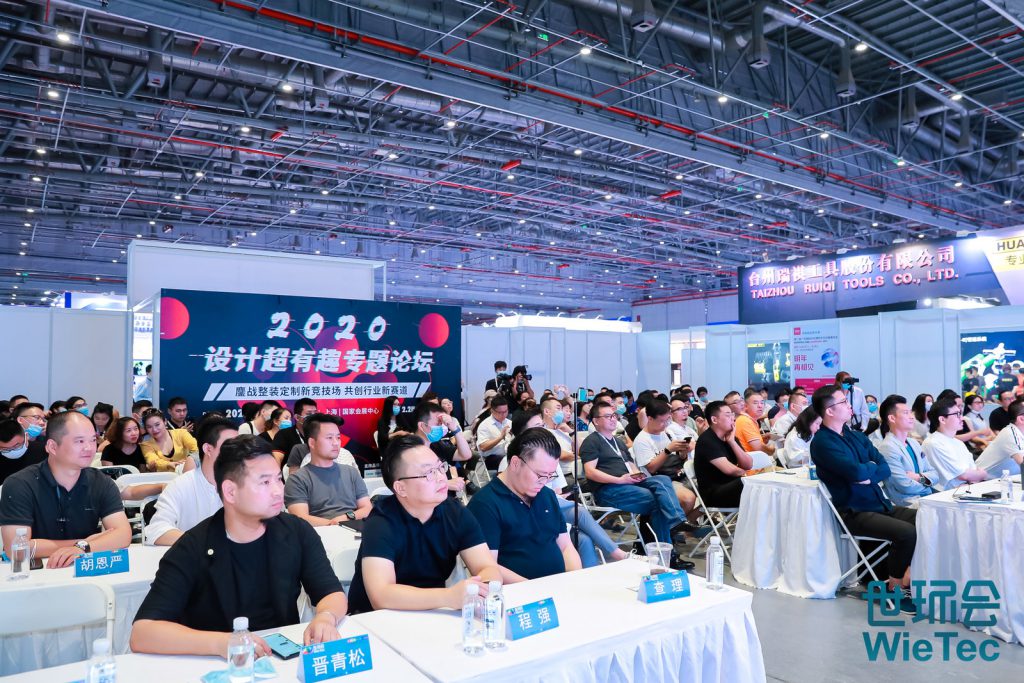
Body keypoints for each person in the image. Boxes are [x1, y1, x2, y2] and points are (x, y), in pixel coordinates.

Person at [130, 435, 347, 655]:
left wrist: (325, 617)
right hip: (215, 663)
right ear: (230, 492)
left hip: (281, 658)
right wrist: (222, 643)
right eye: (265, 482)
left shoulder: (296, 531)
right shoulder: (193, 547)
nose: (278, 490)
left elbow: (331, 593)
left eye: (278, 479)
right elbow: (143, 632)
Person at [346, 435, 501, 614]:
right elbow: (382, 596)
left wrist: (484, 589)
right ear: (401, 488)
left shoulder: (456, 512)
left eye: (440, 467)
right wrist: (448, 596)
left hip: (433, 613)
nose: (441, 477)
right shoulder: (380, 523)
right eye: (428, 473)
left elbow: (486, 566)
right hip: (375, 619)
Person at [808, 385, 917, 611]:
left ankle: (907, 577)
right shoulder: (822, 442)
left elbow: (884, 468)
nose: (850, 406)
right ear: (829, 411)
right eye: (843, 402)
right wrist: (868, 469)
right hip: (854, 511)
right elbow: (856, 473)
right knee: (906, 533)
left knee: (925, 518)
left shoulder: (856, 435)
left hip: (879, 503)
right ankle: (895, 588)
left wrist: (868, 472)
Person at [0, 411, 131, 567]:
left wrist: (82, 548)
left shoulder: (101, 482)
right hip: (37, 571)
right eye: (80, 441)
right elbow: (16, 549)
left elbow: (123, 535)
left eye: (92, 440)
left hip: (83, 568)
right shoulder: (19, 484)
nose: (89, 448)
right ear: (53, 447)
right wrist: (84, 544)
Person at [580, 401, 692, 566]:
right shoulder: (592, 441)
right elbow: (590, 472)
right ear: (596, 421)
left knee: (662, 479)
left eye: (614, 415)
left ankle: (675, 523)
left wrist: (637, 476)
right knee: (657, 500)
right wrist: (620, 480)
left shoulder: (618, 442)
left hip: (629, 483)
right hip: (609, 488)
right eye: (608, 416)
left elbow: (631, 465)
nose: (613, 419)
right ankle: (667, 553)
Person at [467, 428, 582, 583]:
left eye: (550, 475)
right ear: (515, 463)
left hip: (558, 587)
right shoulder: (485, 504)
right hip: (518, 592)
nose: (544, 482)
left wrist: (574, 578)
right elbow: (488, 567)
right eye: (540, 475)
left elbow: (565, 546)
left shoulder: (546, 495)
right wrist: (533, 588)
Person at [145, 417, 237, 546]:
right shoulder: (181, 485)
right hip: (194, 554)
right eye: (229, 445)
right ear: (208, 449)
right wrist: (202, 542)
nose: (237, 451)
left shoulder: (244, 484)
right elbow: (156, 531)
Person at [284, 414, 371, 526]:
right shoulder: (297, 479)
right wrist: (334, 524)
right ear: (312, 443)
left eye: (338, 437)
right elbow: (300, 518)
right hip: (319, 532)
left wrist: (345, 518)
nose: (336, 443)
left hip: (353, 528)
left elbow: (367, 508)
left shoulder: (351, 472)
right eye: (329, 438)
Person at [630, 400, 698, 517]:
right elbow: (651, 468)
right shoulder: (642, 440)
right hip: (661, 481)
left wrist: (683, 452)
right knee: (688, 499)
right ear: (650, 418)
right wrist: (667, 450)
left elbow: (678, 458)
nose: (666, 424)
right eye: (662, 421)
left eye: (668, 420)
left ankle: (687, 522)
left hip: (680, 474)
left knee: (710, 491)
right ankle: (674, 524)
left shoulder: (667, 432)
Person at [876, 395, 939, 508]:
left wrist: (918, 477)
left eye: (910, 412)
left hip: (926, 497)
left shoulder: (913, 443)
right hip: (908, 502)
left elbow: (934, 474)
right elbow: (905, 486)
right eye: (906, 413)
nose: (911, 417)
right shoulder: (887, 447)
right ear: (892, 418)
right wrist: (927, 484)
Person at [693, 401, 754, 507]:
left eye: (732, 414)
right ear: (714, 420)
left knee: (758, 486)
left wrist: (732, 442)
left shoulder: (731, 438)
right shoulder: (707, 440)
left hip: (732, 486)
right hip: (714, 493)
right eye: (728, 415)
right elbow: (730, 470)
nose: (733, 418)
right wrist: (749, 475)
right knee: (753, 485)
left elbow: (748, 464)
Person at [921, 398, 990, 489]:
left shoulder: (958, 442)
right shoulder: (933, 443)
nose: (962, 418)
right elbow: (963, 475)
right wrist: (982, 474)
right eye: (957, 414)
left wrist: (977, 475)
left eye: (960, 413)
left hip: (966, 489)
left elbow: (973, 472)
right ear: (942, 419)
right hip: (947, 494)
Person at [414, 401, 472, 495]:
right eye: (438, 424)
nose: (441, 427)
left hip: (447, 498)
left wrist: (455, 429)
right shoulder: (410, 451)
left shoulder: (436, 444)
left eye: (442, 424)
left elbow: (466, 455)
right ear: (422, 426)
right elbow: (414, 484)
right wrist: (445, 484)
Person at [974, 400, 1024, 477]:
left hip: (1003, 480)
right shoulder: (1011, 434)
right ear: (1021, 419)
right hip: (982, 480)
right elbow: (1022, 464)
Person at [270, 397, 318, 465]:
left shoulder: (319, 434)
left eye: (315, 413)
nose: (313, 417)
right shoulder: (284, 434)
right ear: (297, 417)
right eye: (309, 414)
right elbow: (276, 458)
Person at [0, 420, 46, 484]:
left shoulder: (44, 451)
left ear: (26, 436)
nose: (12, 451)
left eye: (16, 446)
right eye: (5, 449)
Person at [474, 395, 512, 472]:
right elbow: (483, 447)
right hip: (491, 457)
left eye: (505, 411)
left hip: (509, 454)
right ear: (492, 410)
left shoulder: (509, 422)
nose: (503, 415)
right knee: (508, 462)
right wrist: (500, 438)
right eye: (500, 412)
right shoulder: (485, 425)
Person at [734, 389, 776, 458]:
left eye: (762, 403)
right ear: (746, 406)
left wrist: (762, 439)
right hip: (752, 463)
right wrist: (772, 449)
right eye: (755, 403)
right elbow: (759, 448)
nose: (760, 406)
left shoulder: (750, 420)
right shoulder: (745, 421)